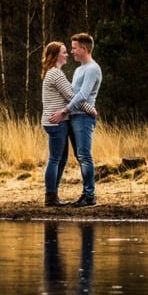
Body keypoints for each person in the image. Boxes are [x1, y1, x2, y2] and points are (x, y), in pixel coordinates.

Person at [40, 41, 97, 207]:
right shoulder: (56, 74)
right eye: (64, 52)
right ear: (57, 55)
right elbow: (72, 96)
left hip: (54, 121)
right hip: (56, 122)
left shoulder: (51, 73)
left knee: (60, 159)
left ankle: (52, 195)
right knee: (55, 159)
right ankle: (51, 197)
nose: (67, 55)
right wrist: (90, 109)